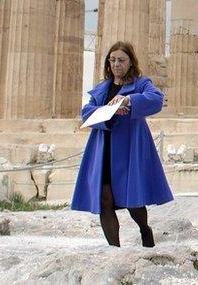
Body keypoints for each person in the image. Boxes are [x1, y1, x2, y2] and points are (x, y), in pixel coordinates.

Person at [71, 41, 174, 247]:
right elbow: (87, 113)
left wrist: (128, 101)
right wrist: (108, 113)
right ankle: (114, 250)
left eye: (121, 60)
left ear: (130, 62)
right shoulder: (102, 88)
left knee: (133, 201)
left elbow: (155, 100)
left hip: (130, 148)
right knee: (104, 200)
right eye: (112, 60)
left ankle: (145, 230)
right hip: (104, 149)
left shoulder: (141, 83)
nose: (116, 64)